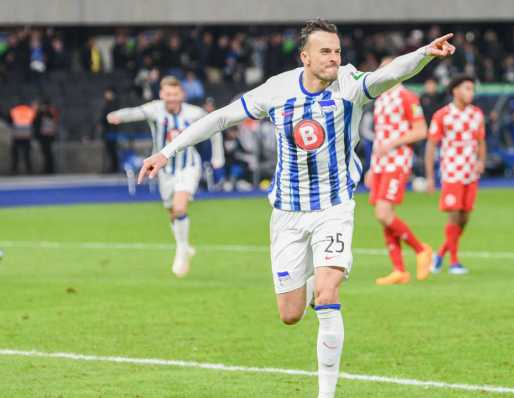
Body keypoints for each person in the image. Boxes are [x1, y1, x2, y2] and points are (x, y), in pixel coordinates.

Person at [136, 19, 455, 398]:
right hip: (287, 212)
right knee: (290, 314)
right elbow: (221, 117)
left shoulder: (349, 84)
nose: (333, 58)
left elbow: (388, 75)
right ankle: (315, 277)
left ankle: (326, 392)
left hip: (334, 207)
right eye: (325, 51)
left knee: (328, 293)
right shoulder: (278, 90)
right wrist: (166, 152)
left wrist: (423, 55)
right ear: (305, 56)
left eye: (337, 51)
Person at [107, 76, 225, 278]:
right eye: (167, 94)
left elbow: (215, 127)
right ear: (161, 94)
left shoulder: (194, 113)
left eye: (175, 94)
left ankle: (181, 251)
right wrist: (117, 115)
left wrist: (218, 158)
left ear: (182, 95)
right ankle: (184, 246)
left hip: (188, 165)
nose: (171, 98)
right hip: (164, 170)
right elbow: (135, 112)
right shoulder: (155, 109)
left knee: (180, 208)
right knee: (172, 212)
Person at [366, 56, 432, 286]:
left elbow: (421, 130)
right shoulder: (381, 98)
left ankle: (421, 249)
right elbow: (380, 137)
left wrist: (393, 144)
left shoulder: (407, 97)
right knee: (385, 217)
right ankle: (399, 270)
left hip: (397, 162)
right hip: (381, 164)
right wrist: (372, 167)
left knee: (383, 213)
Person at [424, 75, 486, 275]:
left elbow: (481, 141)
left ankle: (440, 254)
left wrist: (481, 161)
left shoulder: (476, 114)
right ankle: (454, 262)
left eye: (472, 89)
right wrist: (430, 176)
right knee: (454, 216)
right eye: (467, 88)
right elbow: (431, 145)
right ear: (455, 91)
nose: (471, 93)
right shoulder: (442, 115)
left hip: (470, 173)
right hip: (451, 172)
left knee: (464, 218)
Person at [32, 98, 59, 174]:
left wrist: (38, 111)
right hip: (45, 136)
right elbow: (35, 122)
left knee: (48, 153)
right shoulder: (44, 112)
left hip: (47, 136)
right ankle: (47, 169)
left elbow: (37, 121)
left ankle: (49, 169)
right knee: (46, 153)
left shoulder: (48, 112)